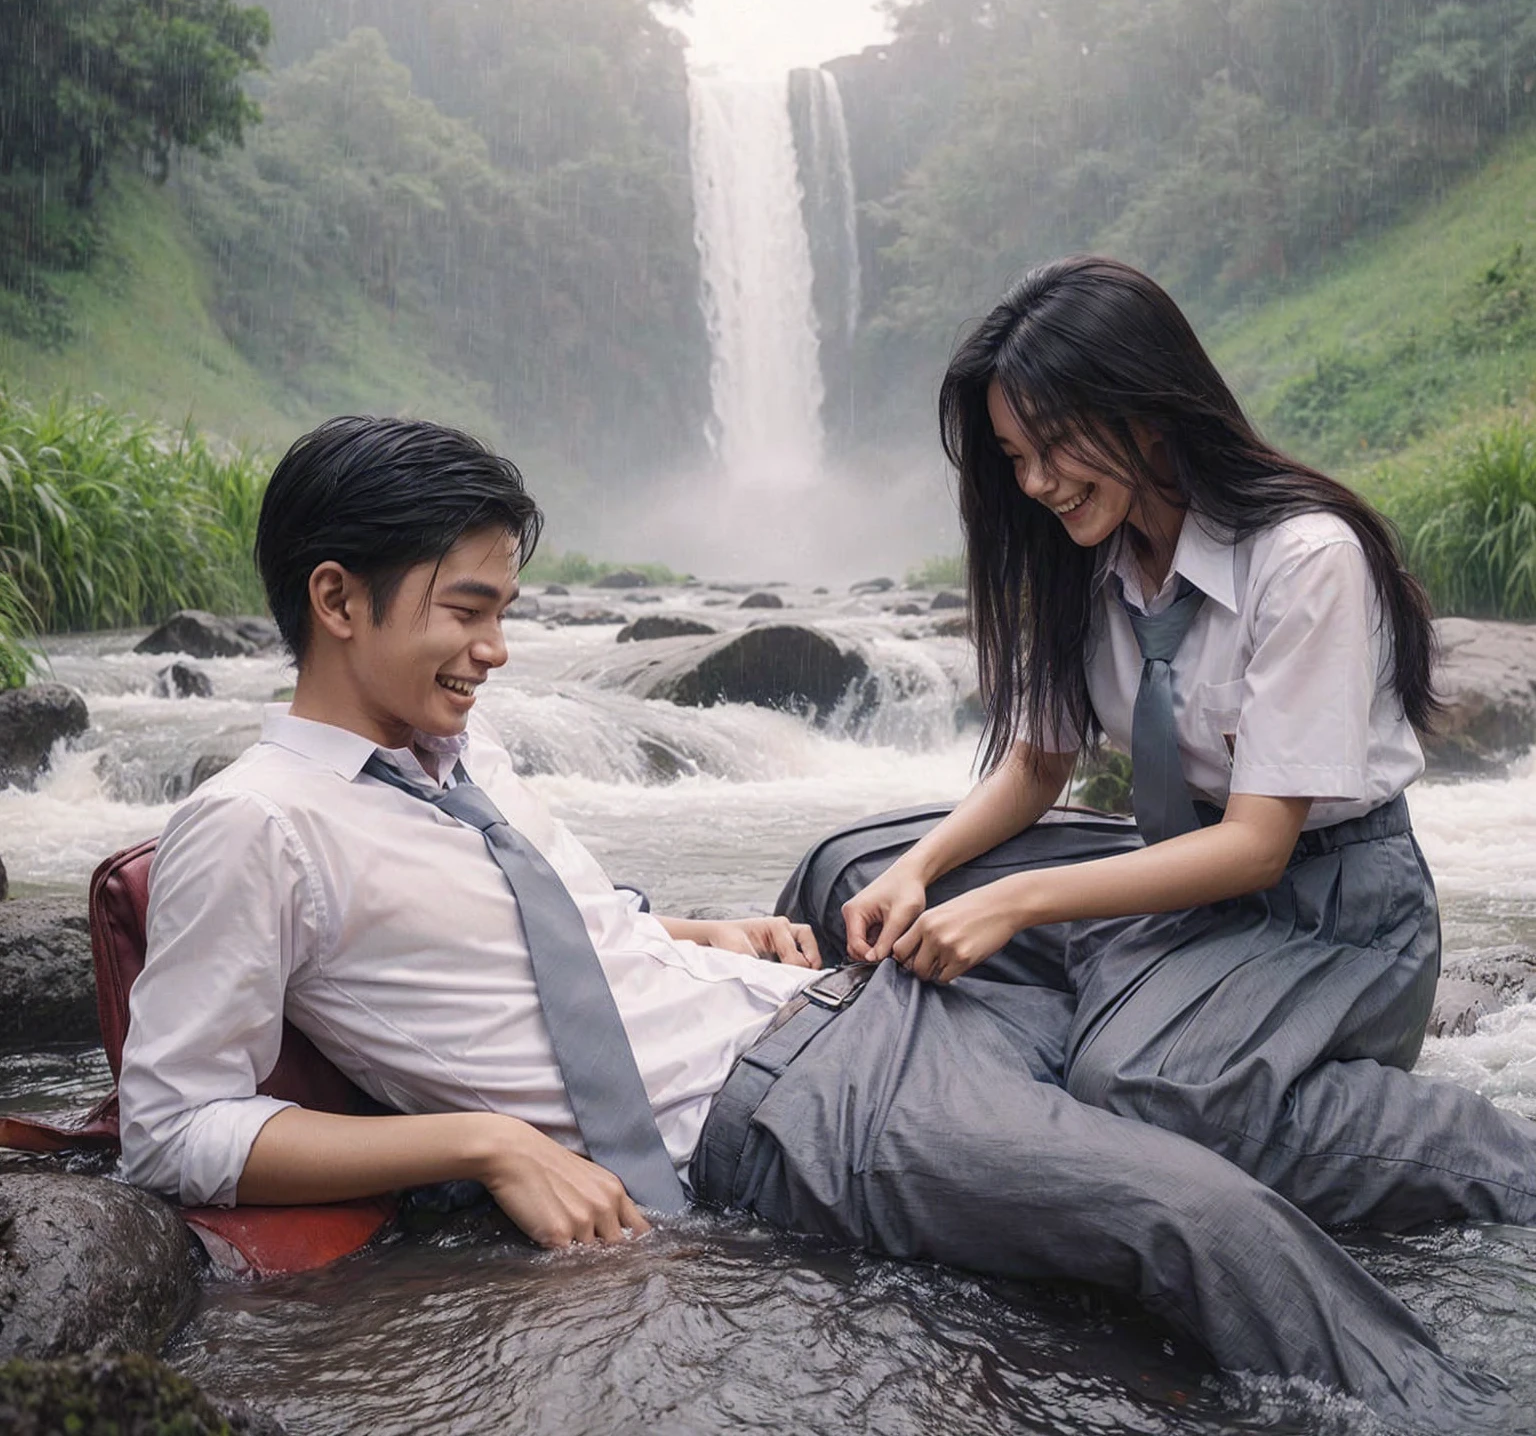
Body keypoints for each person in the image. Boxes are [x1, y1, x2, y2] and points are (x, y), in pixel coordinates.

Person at [118, 415, 1513, 1428]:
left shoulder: (458, 757)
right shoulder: (255, 827)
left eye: (505, 609)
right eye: (468, 610)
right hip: (790, 1112)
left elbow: (558, 935)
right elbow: (174, 1124)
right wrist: (487, 1140)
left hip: (837, 1010)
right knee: (1188, 1212)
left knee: (1188, 1092)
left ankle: (1504, 1158)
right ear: (337, 600)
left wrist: (713, 932)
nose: (497, 649)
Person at [840, 254, 1536, 1237]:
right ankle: (1176, 1037)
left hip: (1333, 913)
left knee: (1135, 1085)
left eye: (1052, 447)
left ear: (1144, 407)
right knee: (860, 879)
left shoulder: (1305, 559)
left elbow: (1259, 846)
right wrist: (917, 872)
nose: (1035, 483)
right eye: (1013, 458)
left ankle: (1490, 1158)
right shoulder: (1081, 565)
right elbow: (1038, 769)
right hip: (1181, 882)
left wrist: (1010, 901)